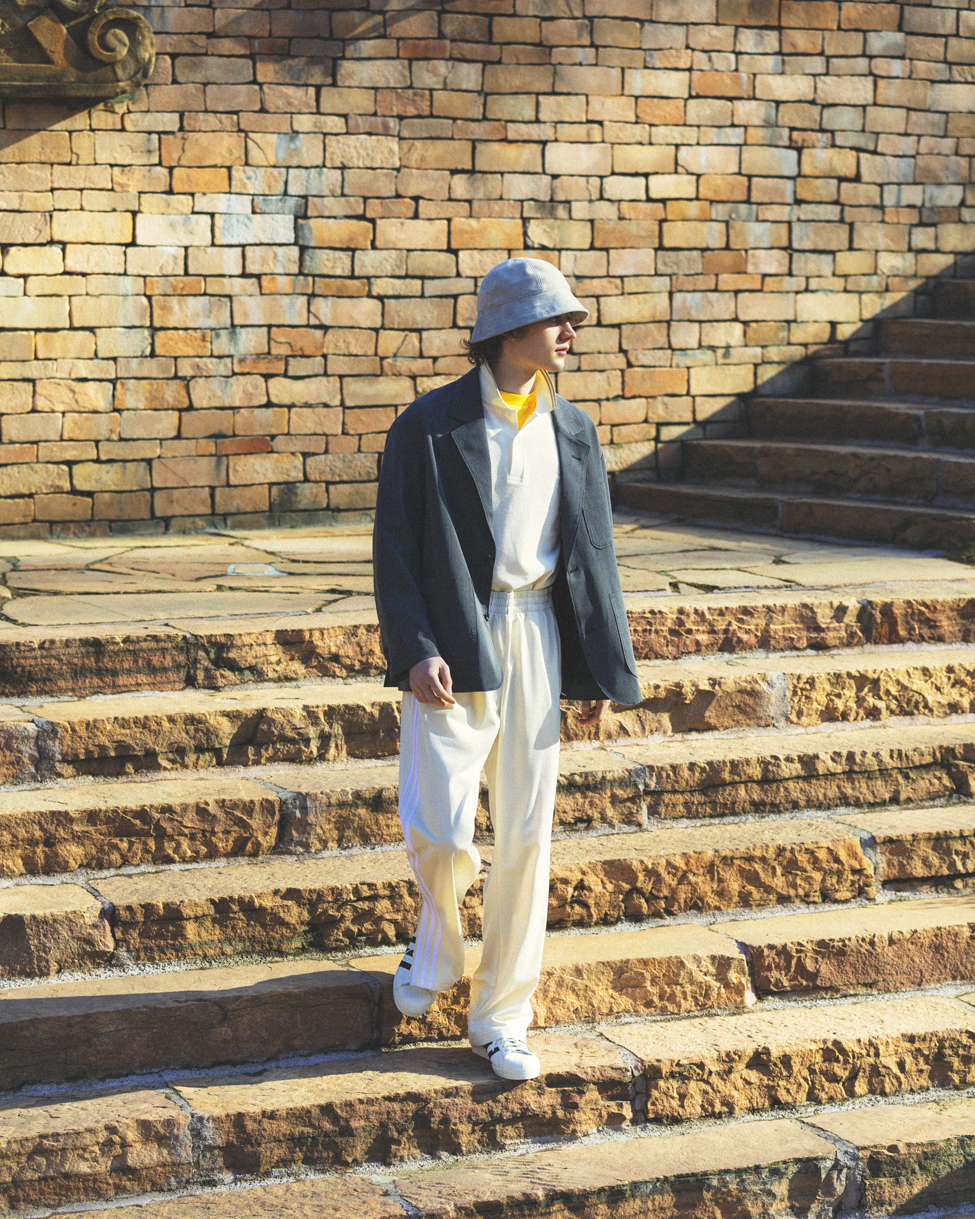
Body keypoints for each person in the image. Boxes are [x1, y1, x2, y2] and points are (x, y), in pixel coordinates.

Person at [372, 257, 642, 1082]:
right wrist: (414, 647)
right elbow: (395, 547)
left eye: (572, 321)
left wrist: (594, 674)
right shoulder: (427, 426)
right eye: (557, 319)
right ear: (507, 328)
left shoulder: (574, 429)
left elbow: (594, 557)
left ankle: (501, 1018)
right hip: (454, 635)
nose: (570, 334)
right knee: (439, 825)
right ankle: (436, 945)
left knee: (525, 836)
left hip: (537, 634)